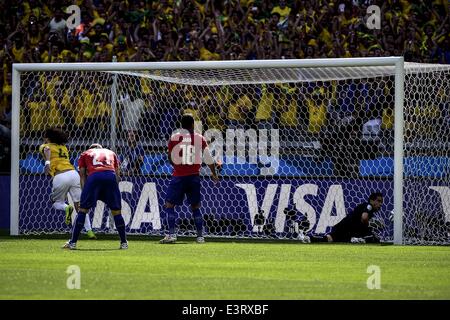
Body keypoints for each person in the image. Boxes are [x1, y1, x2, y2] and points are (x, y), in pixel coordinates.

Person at [160, 114, 220, 244]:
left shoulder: (174, 138)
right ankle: (200, 236)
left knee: (169, 205)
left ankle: (172, 235)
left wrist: (177, 166)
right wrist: (214, 174)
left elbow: (170, 157)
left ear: (181, 125)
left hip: (179, 176)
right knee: (195, 207)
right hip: (194, 177)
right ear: (193, 124)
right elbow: (209, 158)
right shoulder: (200, 138)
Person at [62, 144, 127, 250]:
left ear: (91, 149)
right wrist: (114, 190)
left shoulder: (85, 153)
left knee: (82, 211)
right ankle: (124, 243)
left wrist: (85, 192)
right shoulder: (111, 153)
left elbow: (82, 175)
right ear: (101, 149)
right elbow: (117, 174)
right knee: (116, 212)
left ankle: (73, 243)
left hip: (94, 178)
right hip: (110, 177)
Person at [39, 128, 96, 239]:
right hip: (74, 174)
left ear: (48, 138)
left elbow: (46, 149)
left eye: (45, 137)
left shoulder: (45, 146)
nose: (44, 139)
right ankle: (90, 231)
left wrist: (47, 162)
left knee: (57, 203)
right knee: (81, 206)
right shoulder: (64, 148)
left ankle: (66, 208)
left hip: (60, 176)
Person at [312, 192, 384, 243]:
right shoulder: (369, 206)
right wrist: (368, 226)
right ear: (371, 200)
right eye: (378, 201)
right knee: (372, 237)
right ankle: (360, 239)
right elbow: (364, 218)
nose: (380, 204)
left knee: (329, 239)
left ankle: (309, 238)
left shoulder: (365, 207)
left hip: (343, 226)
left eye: (381, 202)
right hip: (348, 228)